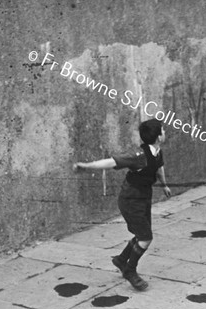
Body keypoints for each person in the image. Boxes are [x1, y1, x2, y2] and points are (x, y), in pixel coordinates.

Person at [73, 118, 171, 290]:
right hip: (131, 200)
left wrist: (164, 185)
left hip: (143, 198)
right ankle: (129, 270)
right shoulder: (138, 157)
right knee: (146, 237)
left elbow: (159, 168)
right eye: (163, 130)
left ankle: (120, 260)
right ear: (157, 136)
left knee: (142, 234)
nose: (165, 132)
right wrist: (86, 166)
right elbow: (112, 162)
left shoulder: (157, 151)